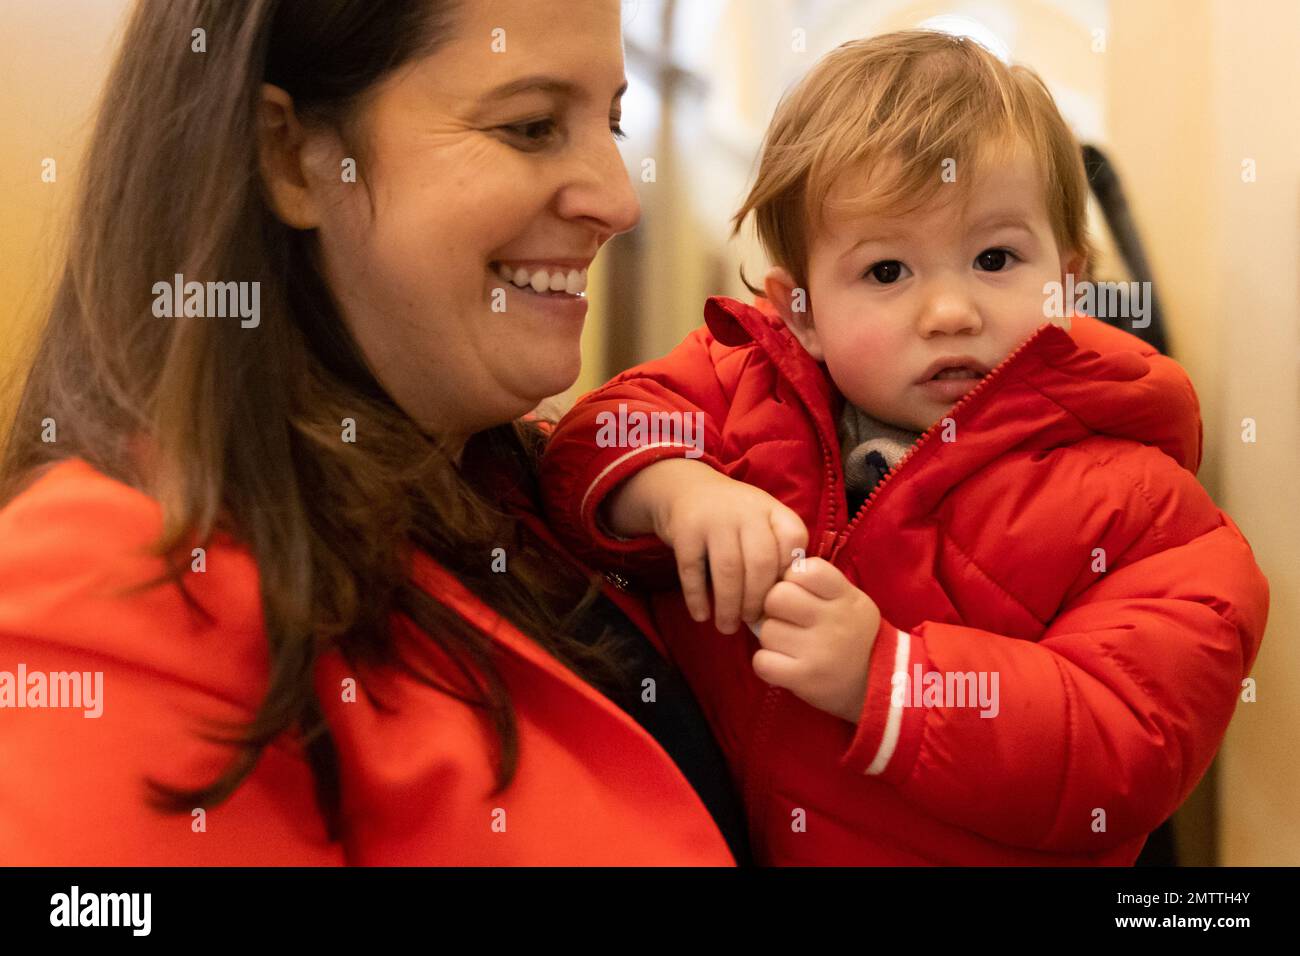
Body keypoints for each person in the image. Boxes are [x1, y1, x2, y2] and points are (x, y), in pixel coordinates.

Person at [0, 0, 750, 866]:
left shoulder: (543, 499)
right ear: (290, 157)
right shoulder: (120, 588)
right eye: (531, 126)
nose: (619, 200)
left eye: (611, 121)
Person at [538, 31, 1269, 864]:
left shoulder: (1142, 510)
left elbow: (1127, 745)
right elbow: (584, 441)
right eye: (888, 272)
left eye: (994, 258)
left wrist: (890, 681)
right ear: (802, 313)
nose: (950, 312)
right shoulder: (738, 384)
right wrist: (677, 490)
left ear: (1068, 283)